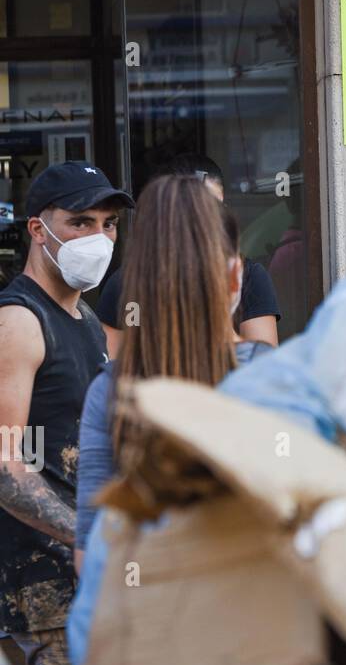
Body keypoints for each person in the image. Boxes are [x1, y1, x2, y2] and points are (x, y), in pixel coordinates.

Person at [75, 175, 274, 566]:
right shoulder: (273, 378)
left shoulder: (111, 391)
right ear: (236, 277)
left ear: (134, 286)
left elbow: (90, 554)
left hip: (143, 616)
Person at [0, 160, 133, 665]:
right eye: (81, 222)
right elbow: (5, 463)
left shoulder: (86, 322)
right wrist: (88, 537)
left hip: (84, 583)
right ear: (39, 229)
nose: (99, 238)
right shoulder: (19, 322)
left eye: (109, 224)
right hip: (41, 595)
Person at [97, 154, 280, 357]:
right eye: (187, 211)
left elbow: (264, 371)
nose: (202, 219)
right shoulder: (126, 283)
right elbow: (115, 369)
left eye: (213, 209)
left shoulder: (248, 276)